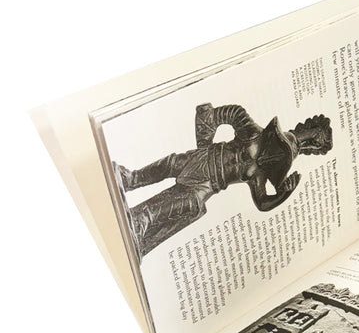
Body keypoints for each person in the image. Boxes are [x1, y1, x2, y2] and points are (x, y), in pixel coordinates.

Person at [115, 103, 333, 258]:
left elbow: (262, 202)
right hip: (204, 158)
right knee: (172, 163)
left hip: (207, 185)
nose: (271, 157)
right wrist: (205, 144)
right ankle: (131, 179)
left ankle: (142, 220)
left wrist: (283, 195)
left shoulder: (259, 173)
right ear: (274, 135)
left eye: (280, 158)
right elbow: (229, 113)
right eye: (280, 146)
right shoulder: (253, 133)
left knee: (191, 203)